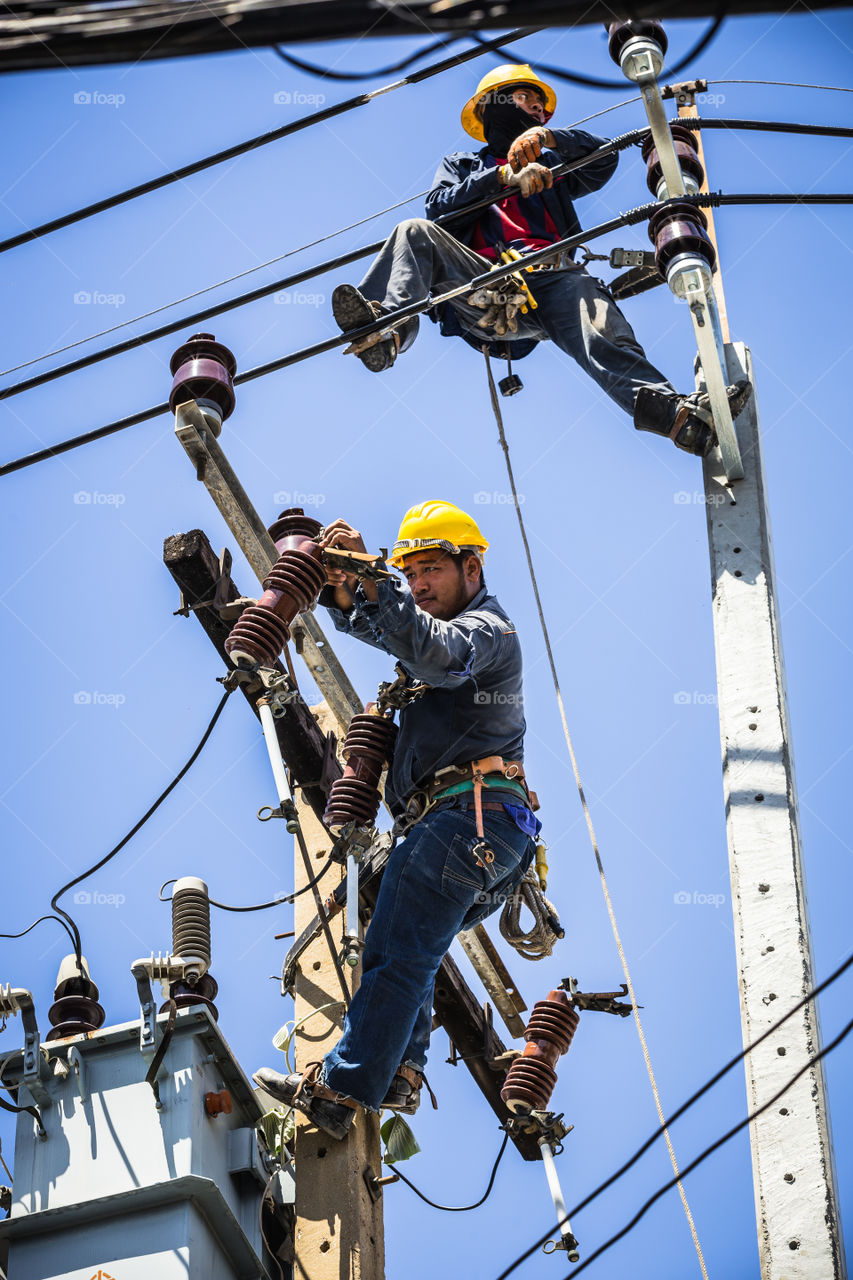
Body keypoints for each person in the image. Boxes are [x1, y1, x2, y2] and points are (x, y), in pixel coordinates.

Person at [254, 500, 540, 1139]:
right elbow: (396, 633)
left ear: (471, 569)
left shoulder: (488, 631)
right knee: (411, 949)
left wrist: (374, 575)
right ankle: (403, 1072)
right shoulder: (436, 629)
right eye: (410, 575)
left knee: (395, 952)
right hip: (484, 837)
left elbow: (433, 652)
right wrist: (340, 592)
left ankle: (343, 1085)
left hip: (466, 821)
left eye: (431, 571)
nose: (419, 586)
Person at [329, 63, 750, 457]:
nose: (539, 111)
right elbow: (438, 210)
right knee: (413, 232)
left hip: (552, 280)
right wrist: (501, 179)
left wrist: (549, 141)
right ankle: (385, 330)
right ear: (495, 104)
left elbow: (604, 160)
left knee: (598, 321)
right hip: (484, 284)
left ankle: (678, 419)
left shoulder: (552, 161)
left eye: (542, 108)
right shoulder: (462, 166)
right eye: (528, 101)